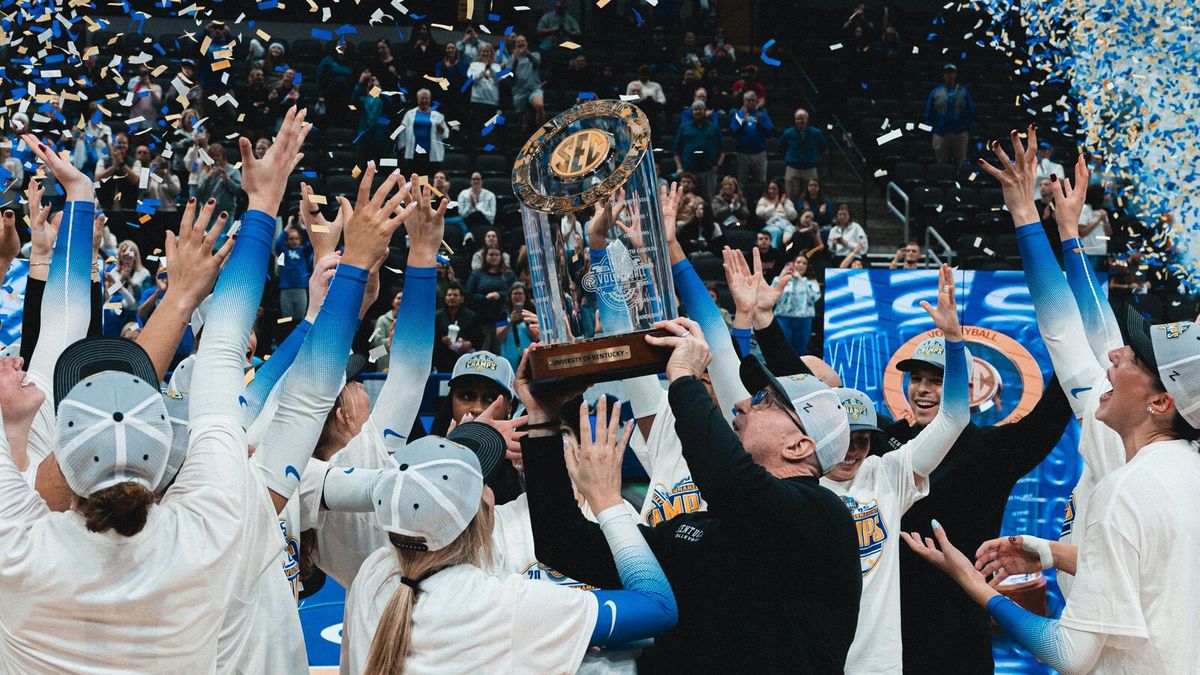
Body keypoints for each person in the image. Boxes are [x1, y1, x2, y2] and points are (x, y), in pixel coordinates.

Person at [0, 113, 295, 670]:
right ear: (162, 449)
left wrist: (79, 200)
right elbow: (227, 344)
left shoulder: (16, 545)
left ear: (61, 447)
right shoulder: (206, 540)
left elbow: (218, 346)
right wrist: (261, 208)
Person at [521, 316, 862, 672]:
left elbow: (730, 482)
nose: (742, 404)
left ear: (798, 445)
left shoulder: (823, 516)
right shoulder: (703, 527)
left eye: (763, 401)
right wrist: (542, 420)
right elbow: (562, 542)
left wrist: (684, 376)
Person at [826, 265, 971, 674]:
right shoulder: (796, 482)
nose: (853, 451)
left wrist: (955, 341)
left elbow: (954, 417)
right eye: (843, 438)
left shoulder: (886, 475)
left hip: (878, 665)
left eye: (863, 439)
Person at [924, 64, 975, 165]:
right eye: (947, 73)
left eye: (951, 73)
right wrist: (934, 130)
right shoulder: (936, 92)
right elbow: (929, 113)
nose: (949, 76)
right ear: (943, 76)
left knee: (961, 162)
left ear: (955, 75)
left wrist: (965, 128)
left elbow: (970, 112)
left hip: (959, 133)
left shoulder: (964, 92)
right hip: (940, 133)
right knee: (941, 162)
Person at [771, 254, 821, 355]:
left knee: (800, 352)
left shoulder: (810, 281)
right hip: (783, 319)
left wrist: (800, 279)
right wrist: (781, 275)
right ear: (793, 264)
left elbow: (815, 297)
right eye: (798, 262)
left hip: (803, 320)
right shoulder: (783, 280)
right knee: (783, 351)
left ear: (807, 267)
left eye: (804, 263)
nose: (801, 265)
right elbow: (771, 295)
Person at [673, 100, 724, 198]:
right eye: (695, 109)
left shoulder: (714, 127)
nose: (698, 112)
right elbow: (676, 150)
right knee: (689, 199)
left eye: (700, 109)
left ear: (705, 111)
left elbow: (722, 149)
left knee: (709, 199)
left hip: (709, 170)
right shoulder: (684, 127)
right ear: (692, 112)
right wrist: (679, 166)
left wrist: (718, 165)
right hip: (689, 170)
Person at [398, 88, 450, 179]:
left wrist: (440, 129)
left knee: (427, 178)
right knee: (415, 178)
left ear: (430, 100)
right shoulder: (409, 114)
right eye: (422, 98)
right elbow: (402, 130)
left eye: (426, 98)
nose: (424, 100)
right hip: (414, 152)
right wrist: (402, 146)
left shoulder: (438, 116)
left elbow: (446, 135)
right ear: (418, 100)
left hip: (431, 152)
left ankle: (426, 193)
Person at [433, 282, 483, 372]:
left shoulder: (471, 316)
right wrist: (442, 339)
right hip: (442, 360)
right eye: (449, 295)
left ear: (462, 299)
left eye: (455, 295)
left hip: (464, 360)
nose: (452, 297)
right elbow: (432, 337)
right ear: (445, 298)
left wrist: (469, 344)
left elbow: (479, 338)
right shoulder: (437, 316)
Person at [780, 109, 827, 201]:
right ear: (794, 120)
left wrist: (814, 158)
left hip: (810, 170)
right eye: (798, 119)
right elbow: (781, 147)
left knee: (810, 197)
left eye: (803, 119)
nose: (800, 121)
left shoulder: (816, 133)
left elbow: (823, 147)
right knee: (792, 196)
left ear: (807, 119)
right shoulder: (788, 133)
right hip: (793, 169)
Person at [731, 91, 774, 188]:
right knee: (741, 184)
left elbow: (770, 132)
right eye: (748, 100)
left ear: (756, 102)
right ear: (744, 101)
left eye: (752, 100)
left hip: (759, 154)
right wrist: (743, 122)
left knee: (760, 183)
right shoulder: (739, 115)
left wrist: (760, 124)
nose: (750, 102)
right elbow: (734, 132)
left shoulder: (762, 115)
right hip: (743, 154)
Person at [466, 42, 503, 153]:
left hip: (491, 102)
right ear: (479, 53)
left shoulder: (497, 66)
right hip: (477, 101)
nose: (485, 53)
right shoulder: (474, 65)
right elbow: (473, 78)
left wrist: (490, 67)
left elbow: (499, 79)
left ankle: (488, 150)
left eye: (487, 51)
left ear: (491, 53)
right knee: (476, 127)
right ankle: (475, 149)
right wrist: (484, 68)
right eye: (483, 51)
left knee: (490, 128)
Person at [275, 220, 314, 325]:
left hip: (301, 289)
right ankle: (285, 338)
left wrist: (303, 227)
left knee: (300, 319)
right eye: (291, 238)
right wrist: (287, 227)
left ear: (300, 240)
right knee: (286, 320)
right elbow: (278, 243)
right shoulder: (283, 251)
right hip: (286, 290)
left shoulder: (304, 251)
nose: (294, 241)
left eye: (296, 238)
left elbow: (311, 242)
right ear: (286, 240)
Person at [466, 246, 516, 325]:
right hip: (481, 314)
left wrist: (500, 295)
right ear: (485, 256)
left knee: (501, 335)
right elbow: (468, 293)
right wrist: (484, 297)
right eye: (491, 255)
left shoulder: (509, 274)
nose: (494, 257)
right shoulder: (477, 273)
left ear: (501, 257)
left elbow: (516, 292)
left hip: (503, 314)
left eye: (497, 255)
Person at [493, 283, 537, 370]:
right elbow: (499, 337)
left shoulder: (531, 312)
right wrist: (510, 322)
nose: (517, 296)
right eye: (515, 293)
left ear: (525, 296)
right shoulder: (503, 313)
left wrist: (528, 324)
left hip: (529, 356)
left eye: (520, 293)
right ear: (510, 296)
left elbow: (536, 338)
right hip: (509, 358)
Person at [192, 143, 242, 219]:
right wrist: (208, 177)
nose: (215, 158)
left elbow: (238, 191)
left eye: (218, 155)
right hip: (207, 211)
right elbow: (198, 193)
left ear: (223, 156)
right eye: (212, 156)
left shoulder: (233, 170)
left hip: (226, 211)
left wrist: (227, 179)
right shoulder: (205, 172)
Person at [508, 35, 544, 130]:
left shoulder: (535, 54)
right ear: (515, 45)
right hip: (519, 90)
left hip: (534, 88)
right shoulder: (512, 58)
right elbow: (510, 76)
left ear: (526, 43)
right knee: (521, 119)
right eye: (518, 42)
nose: (520, 43)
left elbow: (537, 63)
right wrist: (515, 61)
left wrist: (527, 54)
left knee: (539, 105)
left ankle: (543, 132)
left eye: (522, 41)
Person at [756, 179, 798, 248]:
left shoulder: (786, 201)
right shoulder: (763, 200)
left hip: (786, 224)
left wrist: (784, 204)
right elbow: (759, 213)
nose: (772, 191)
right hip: (771, 225)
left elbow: (793, 216)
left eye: (774, 189)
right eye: (770, 188)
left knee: (792, 230)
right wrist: (774, 205)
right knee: (776, 231)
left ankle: (788, 250)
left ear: (779, 190)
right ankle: (773, 252)